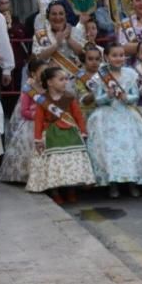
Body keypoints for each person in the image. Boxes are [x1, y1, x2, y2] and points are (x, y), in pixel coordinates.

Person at [86, 42, 142, 198]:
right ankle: (112, 183)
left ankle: (132, 182)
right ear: (106, 57)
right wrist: (107, 96)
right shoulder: (100, 75)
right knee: (110, 149)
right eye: (115, 55)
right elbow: (97, 99)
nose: (119, 58)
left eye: (121, 55)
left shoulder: (131, 74)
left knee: (132, 147)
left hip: (127, 113)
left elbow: (136, 96)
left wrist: (126, 97)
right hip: (107, 114)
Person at [25, 66, 95, 204]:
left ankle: (71, 191)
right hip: (51, 134)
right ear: (50, 82)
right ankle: (55, 191)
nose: (65, 82)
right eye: (61, 79)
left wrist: (83, 131)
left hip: (70, 133)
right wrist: (38, 138)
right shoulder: (42, 100)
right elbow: (39, 120)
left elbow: (78, 116)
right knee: (53, 164)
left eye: (66, 79)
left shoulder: (69, 97)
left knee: (71, 162)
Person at [0, 59, 47, 184]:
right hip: (31, 125)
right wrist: (36, 115)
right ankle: (27, 175)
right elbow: (24, 111)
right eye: (42, 72)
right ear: (33, 74)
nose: (45, 75)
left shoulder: (50, 87)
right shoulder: (29, 89)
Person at [32, 0, 85, 69]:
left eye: (61, 14)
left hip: (73, 76)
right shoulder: (40, 34)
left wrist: (69, 39)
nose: (58, 17)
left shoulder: (76, 31)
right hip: (49, 76)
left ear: (66, 16)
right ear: (48, 16)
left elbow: (84, 54)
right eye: (54, 14)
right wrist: (56, 44)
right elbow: (38, 58)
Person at [0, 0, 26, 93]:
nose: (4, 6)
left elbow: (21, 35)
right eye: (1, 3)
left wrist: (9, 25)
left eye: (6, 3)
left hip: (16, 59)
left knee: (16, 88)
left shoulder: (15, 19)